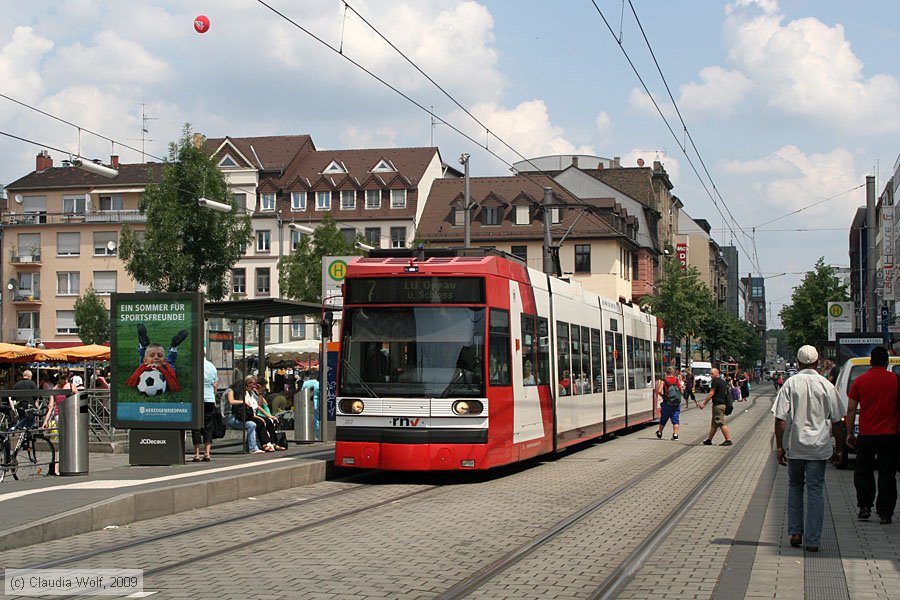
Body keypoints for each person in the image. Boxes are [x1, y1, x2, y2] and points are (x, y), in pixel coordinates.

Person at [773, 345, 842, 552]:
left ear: (798, 362)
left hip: (796, 445)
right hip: (819, 447)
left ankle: (795, 532)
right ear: (817, 361)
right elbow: (837, 421)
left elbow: (780, 419)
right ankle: (813, 540)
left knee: (795, 486)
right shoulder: (827, 385)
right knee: (815, 491)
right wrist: (838, 449)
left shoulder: (790, 384)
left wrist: (779, 447)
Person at [846, 346, 900, 524]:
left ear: (870, 362)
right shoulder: (896, 380)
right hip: (890, 434)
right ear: (886, 362)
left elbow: (851, 409)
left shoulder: (860, 381)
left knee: (863, 471)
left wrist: (849, 433)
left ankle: (865, 506)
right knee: (887, 473)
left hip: (867, 434)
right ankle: (885, 513)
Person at [125, 324, 188, 392]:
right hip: (146, 364)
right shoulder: (144, 365)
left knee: (170, 363)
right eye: (152, 355)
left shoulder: (167, 367)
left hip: (164, 367)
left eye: (159, 355)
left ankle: (174, 346)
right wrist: (146, 367)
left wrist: (160, 369)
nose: (156, 357)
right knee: (143, 360)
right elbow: (130, 383)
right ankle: (144, 344)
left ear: (164, 361)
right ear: (145, 361)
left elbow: (175, 388)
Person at [191, 355, 218, 462]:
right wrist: (214, 397)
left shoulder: (194, 366)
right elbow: (215, 385)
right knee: (208, 427)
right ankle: (207, 453)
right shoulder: (212, 366)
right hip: (210, 399)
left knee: (196, 427)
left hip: (197, 399)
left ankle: (196, 454)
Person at [222, 385, 263, 454]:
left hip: (234, 415)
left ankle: (251, 446)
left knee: (252, 423)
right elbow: (231, 401)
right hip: (228, 417)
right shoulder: (230, 391)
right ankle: (252, 447)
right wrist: (243, 401)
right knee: (251, 425)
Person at [699, 367, 733, 446]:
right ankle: (709, 440)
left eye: (712, 373)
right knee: (714, 423)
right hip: (723, 404)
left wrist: (704, 404)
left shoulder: (715, 382)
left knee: (720, 422)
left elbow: (711, 393)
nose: (710, 375)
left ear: (717, 374)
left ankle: (728, 440)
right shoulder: (723, 382)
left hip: (718, 405)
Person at [655, 366, 683, 440]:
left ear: (666, 373)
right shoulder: (677, 380)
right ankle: (675, 435)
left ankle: (660, 433)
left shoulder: (664, 380)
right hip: (676, 403)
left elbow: (659, 391)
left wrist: (664, 396)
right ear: (674, 372)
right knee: (675, 419)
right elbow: (681, 391)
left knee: (664, 418)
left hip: (667, 402)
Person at [302, 369, 321, 440]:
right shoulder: (318, 383)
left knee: (307, 419)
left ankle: (308, 434)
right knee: (316, 419)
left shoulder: (305, 383)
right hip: (316, 403)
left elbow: (302, 393)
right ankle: (317, 435)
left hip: (306, 404)